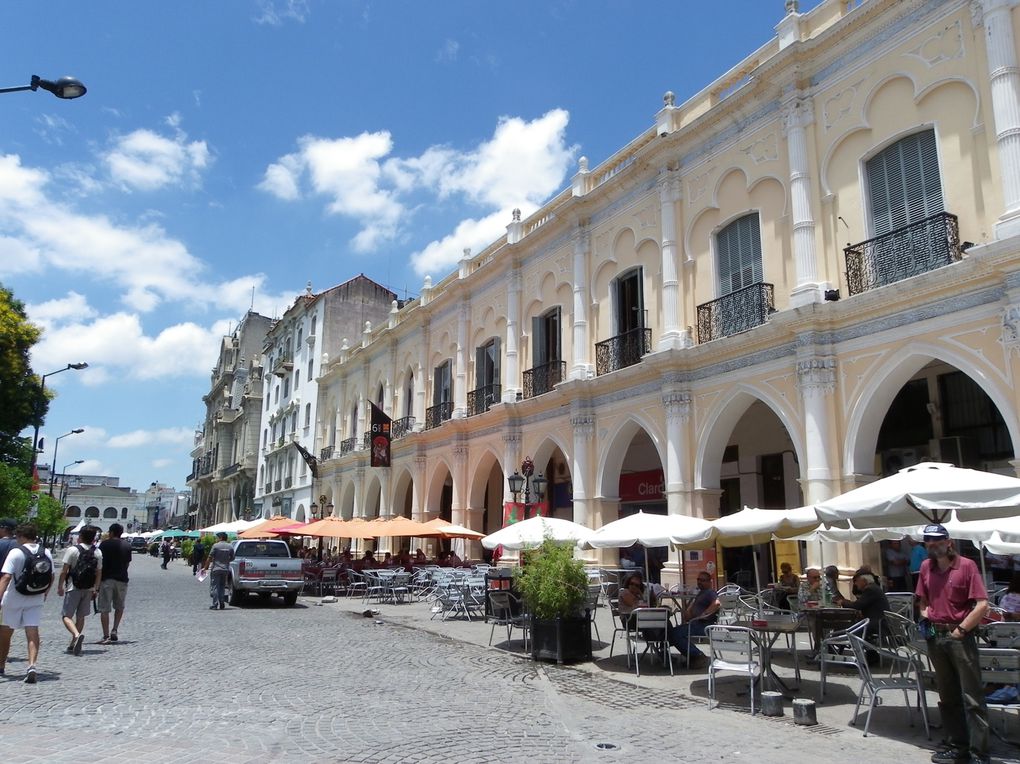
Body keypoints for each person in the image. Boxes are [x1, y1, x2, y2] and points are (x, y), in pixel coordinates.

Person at [915, 523, 990, 764]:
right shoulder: (926, 567)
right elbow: (922, 600)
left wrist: (961, 630)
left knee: (972, 696)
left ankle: (979, 753)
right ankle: (957, 746)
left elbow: (982, 604)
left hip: (960, 637)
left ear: (948, 542)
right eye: (928, 541)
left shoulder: (966, 566)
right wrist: (926, 615)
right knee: (947, 696)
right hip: (936, 638)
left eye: (937, 540)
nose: (932, 544)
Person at [0, 523, 53, 682]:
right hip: (35, 597)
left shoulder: (16, 552)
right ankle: (31, 665)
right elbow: (51, 576)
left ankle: (1, 665)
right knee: (32, 631)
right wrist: (45, 593)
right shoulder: (46, 552)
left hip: (14, 597)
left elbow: (6, 577)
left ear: (20, 536)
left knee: (5, 633)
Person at [57, 525, 102, 656]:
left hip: (73, 587)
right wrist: (96, 588)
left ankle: (76, 635)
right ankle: (73, 644)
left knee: (66, 616)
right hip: (89, 588)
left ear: (80, 536)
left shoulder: (72, 550)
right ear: (94, 539)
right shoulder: (97, 552)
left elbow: (64, 571)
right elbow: (99, 573)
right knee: (81, 616)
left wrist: (60, 586)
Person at [666, 572, 719, 668]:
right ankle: (690, 657)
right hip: (694, 624)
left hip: (703, 626)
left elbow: (717, 603)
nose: (699, 582)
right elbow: (688, 616)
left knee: (675, 634)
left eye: (702, 580)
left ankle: (697, 655)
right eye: (698, 580)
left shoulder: (709, 592)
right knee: (670, 632)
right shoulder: (700, 593)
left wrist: (704, 614)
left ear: (709, 582)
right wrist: (688, 610)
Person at [98, 523, 132, 645]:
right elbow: (127, 564)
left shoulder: (104, 544)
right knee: (119, 606)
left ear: (111, 532)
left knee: (104, 608)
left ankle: (106, 635)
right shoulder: (127, 545)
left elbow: (99, 563)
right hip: (122, 579)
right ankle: (115, 629)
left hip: (106, 579)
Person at [836, 569, 889, 646]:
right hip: (876, 622)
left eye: (857, 581)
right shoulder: (874, 588)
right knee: (846, 627)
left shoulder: (870, 589)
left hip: (876, 624)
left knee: (844, 630)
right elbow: (862, 604)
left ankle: (833, 648)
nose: (855, 583)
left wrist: (843, 602)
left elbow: (857, 606)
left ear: (864, 581)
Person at [203, 532, 235, 610]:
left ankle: (215, 604)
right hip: (225, 569)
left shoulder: (215, 546)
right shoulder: (230, 546)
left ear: (220, 538)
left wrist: (205, 567)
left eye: (218, 537)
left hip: (216, 568)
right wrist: (227, 561)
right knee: (222, 586)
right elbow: (233, 558)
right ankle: (222, 603)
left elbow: (209, 557)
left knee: (215, 587)